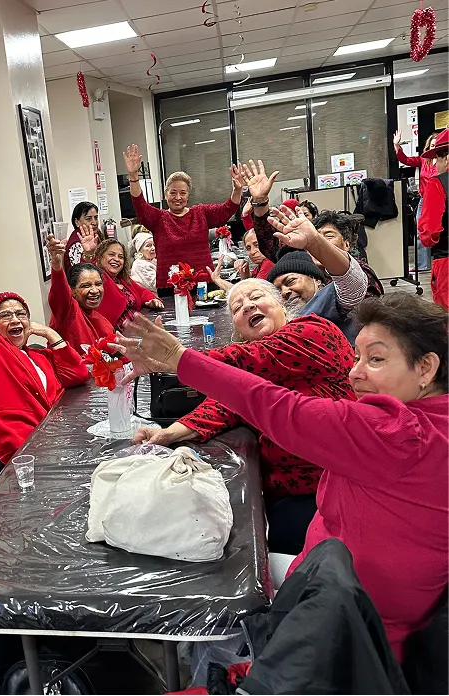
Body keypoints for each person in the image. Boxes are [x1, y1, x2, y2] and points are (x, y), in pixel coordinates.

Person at [116, 291, 448, 663]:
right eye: (357, 357)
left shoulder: (398, 433)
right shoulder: (431, 422)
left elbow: (276, 406)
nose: (355, 372)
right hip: (341, 592)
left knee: (206, 580)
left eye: (376, 359)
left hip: (346, 635)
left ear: (426, 368)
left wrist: (180, 359)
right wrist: (179, 424)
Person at [132, 277, 354, 554]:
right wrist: (169, 432)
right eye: (237, 308)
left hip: (338, 487)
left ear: (281, 306)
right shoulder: (252, 365)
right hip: (285, 490)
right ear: (237, 329)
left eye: (256, 297)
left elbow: (253, 359)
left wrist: (178, 357)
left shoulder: (315, 331)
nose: (248, 306)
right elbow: (228, 402)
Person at [0, 221, 89, 464]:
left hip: (58, 442)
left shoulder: (40, 355)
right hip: (20, 456)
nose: (15, 319)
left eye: (21, 314)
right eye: (5, 315)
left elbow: (78, 374)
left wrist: (52, 335)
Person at [243, 160, 368, 343]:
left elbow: (351, 282)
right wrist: (260, 203)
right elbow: (270, 246)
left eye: (329, 236)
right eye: (277, 290)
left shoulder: (341, 290)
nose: (284, 291)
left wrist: (315, 241)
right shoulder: (299, 266)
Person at [122, 143, 244, 292]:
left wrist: (237, 190)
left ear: (188, 195)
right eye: (173, 193)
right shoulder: (158, 218)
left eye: (183, 193)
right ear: (166, 194)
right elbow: (139, 204)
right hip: (169, 286)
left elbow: (228, 209)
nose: (178, 197)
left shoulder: (200, 213)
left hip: (203, 283)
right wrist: (134, 177)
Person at [79, 229, 164, 330]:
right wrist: (89, 254)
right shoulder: (99, 278)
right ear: (100, 257)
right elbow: (89, 270)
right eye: (111, 254)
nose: (116, 259)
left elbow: (142, 292)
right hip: (116, 334)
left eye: (120, 257)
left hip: (136, 330)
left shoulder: (122, 279)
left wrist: (152, 300)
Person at [46, 234, 113, 354]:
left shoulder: (104, 324)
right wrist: (56, 265)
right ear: (72, 291)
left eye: (98, 284)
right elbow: (59, 291)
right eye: (86, 286)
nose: (94, 290)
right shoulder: (68, 311)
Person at [395, 129, 439, 272]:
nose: (434, 147)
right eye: (432, 145)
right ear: (428, 147)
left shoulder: (446, 160)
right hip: (425, 200)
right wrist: (397, 146)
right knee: (421, 232)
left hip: (441, 200)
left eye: (437, 145)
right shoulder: (424, 160)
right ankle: (423, 265)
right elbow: (406, 160)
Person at [313, 210, 383, 296]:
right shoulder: (306, 270)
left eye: (329, 236)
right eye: (315, 237)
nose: (319, 242)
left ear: (346, 244)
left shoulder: (359, 275)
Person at [417, 127, 449, 310]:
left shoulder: (437, 184)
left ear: (446, 157)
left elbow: (429, 232)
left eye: (437, 157)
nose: (435, 164)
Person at [63, 201, 101, 275]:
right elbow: (78, 275)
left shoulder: (96, 235)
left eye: (96, 218)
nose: (94, 222)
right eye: (88, 219)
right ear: (77, 222)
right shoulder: (76, 244)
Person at [130, 227, 157, 292]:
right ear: (140, 250)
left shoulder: (153, 261)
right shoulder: (140, 264)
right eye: (148, 245)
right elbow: (155, 285)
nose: (153, 248)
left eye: (154, 245)